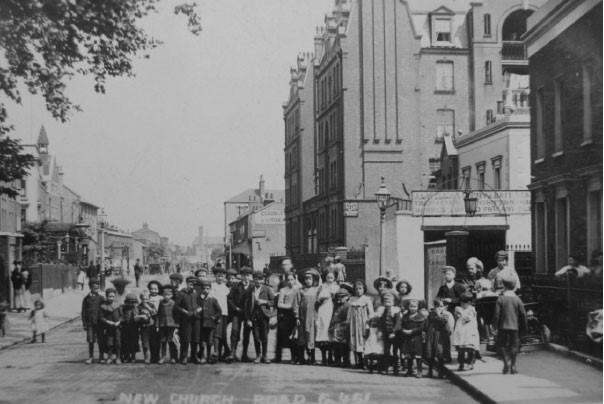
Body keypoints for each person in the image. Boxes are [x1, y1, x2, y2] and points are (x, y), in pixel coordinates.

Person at [492, 276, 527, 375]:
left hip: (502, 326)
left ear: (504, 286)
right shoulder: (517, 299)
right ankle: (513, 366)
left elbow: (496, 314)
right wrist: (524, 328)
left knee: (500, 345)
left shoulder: (501, 299)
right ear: (514, 287)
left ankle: (506, 361)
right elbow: (523, 315)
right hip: (514, 327)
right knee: (514, 346)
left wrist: (494, 326)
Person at [244, 271, 275, 364]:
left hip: (264, 316)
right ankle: (258, 355)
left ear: (263, 280)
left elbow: (273, 302)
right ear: (253, 280)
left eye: (260, 279)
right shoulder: (251, 289)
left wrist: (264, 302)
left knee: (264, 337)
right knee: (256, 337)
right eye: (256, 279)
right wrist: (248, 319)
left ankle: (265, 356)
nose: (258, 281)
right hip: (254, 316)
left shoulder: (267, 289)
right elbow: (246, 305)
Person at [293, 268, 320, 365]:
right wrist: (297, 317)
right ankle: (301, 358)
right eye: (306, 279)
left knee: (311, 337)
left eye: (310, 279)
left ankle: (312, 358)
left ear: (313, 280)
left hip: (312, 318)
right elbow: (296, 305)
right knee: (301, 337)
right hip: (302, 318)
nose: (308, 281)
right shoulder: (300, 291)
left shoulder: (317, 291)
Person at [228, 267, 253, 362]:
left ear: (250, 276)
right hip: (237, 312)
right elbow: (229, 299)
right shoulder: (236, 286)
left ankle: (244, 354)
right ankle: (232, 353)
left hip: (249, 314)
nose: (246, 277)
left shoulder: (253, 287)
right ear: (241, 276)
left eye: (248, 275)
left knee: (246, 333)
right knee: (234, 331)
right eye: (244, 275)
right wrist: (235, 308)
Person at [373, 289, 401, 375]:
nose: (388, 302)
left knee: (395, 351)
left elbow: (398, 323)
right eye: (386, 301)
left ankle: (396, 368)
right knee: (386, 351)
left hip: (395, 334)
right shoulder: (382, 310)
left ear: (393, 302)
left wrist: (393, 332)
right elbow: (381, 322)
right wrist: (380, 331)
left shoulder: (396, 310)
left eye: (390, 301)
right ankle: (386, 367)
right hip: (386, 333)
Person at [174, 276, 201, 364]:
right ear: (186, 283)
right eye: (190, 283)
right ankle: (183, 356)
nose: (192, 285)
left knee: (195, 338)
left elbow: (201, 305)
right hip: (186, 319)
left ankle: (194, 356)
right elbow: (176, 306)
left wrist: (197, 310)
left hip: (196, 318)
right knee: (185, 338)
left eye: (194, 283)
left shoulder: (197, 294)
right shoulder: (182, 294)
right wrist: (185, 311)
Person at [424, 299, 454, 378]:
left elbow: (444, 322)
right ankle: (430, 371)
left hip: (441, 336)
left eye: (441, 306)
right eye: (437, 306)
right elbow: (427, 324)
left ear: (445, 307)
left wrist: (438, 314)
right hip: (432, 335)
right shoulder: (431, 314)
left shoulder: (446, 315)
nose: (439, 308)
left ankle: (441, 372)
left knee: (440, 353)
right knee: (431, 353)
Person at [348, 280, 374, 369]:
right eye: (357, 289)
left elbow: (371, 312)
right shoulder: (352, 299)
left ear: (364, 289)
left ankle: (365, 361)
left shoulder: (366, 299)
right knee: (355, 341)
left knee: (363, 341)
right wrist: (348, 321)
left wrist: (370, 321)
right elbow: (349, 312)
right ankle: (357, 361)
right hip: (354, 323)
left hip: (363, 322)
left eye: (360, 289)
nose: (358, 291)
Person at [315, 271, 339, 365]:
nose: (329, 280)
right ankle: (324, 357)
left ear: (334, 279)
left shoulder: (336, 287)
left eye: (331, 278)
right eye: (328, 277)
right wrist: (320, 300)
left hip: (331, 310)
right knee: (322, 332)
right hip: (322, 310)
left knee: (330, 332)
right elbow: (317, 298)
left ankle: (330, 357)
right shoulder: (321, 287)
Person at [275, 272, 299, 364]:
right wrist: (289, 306)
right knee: (282, 337)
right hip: (285, 315)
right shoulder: (283, 290)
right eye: (288, 280)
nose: (290, 281)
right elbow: (279, 303)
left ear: (295, 279)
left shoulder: (298, 289)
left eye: (292, 279)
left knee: (294, 338)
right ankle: (278, 357)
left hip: (295, 315)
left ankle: (294, 357)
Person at [452, 292, 480, 371]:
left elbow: (467, 319)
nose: (461, 304)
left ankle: (470, 363)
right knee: (460, 350)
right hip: (461, 331)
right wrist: (457, 313)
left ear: (469, 303)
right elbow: (458, 318)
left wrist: (461, 312)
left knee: (469, 349)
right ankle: (461, 364)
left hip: (469, 332)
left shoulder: (471, 310)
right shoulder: (461, 308)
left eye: (462, 303)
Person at [197, 279, 222, 364]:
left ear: (210, 289)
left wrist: (215, 317)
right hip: (201, 323)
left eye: (207, 288)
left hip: (211, 324)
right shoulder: (199, 299)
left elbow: (219, 311)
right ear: (201, 289)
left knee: (210, 341)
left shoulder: (213, 300)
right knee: (202, 341)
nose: (206, 290)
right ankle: (203, 357)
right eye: (204, 288)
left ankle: (208, 357)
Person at [399, 299, 425, 378]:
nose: (413, 308)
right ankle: (409, 370)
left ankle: (419, 371)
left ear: (418, 307)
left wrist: (412, 331)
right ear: (408, 307)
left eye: (414, 306)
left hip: (416, 338)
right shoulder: (406, 316)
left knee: (417, 355)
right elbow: (402, 324)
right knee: (409, 355)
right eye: (411, 306)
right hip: (407, 338)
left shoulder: (420, 317)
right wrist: (403, 330)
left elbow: (421, 327)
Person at [81, 279, 105, 364]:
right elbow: (83, 312)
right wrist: (84, 323)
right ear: (90, 287)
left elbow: (104, 310)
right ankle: (91, 357)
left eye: (97, 288)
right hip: (89, 324)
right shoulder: (86, 299)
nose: (96, 290)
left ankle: (101, 356)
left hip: (99, 324)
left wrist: (104, 321)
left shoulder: (101, 298)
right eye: (94, 288)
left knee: (100, 340)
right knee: (91, 340)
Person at [328, 284, 352, 367]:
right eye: (339, 297)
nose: (341, 299)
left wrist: (342, 325)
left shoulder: (348, 306)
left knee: (344, 346)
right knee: (336, 346)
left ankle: (346, 361)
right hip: (336, 328)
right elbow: (334, 316)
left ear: (347, 297)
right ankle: (337, 360)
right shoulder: (337, 305)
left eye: (343, 297)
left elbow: (348, 318)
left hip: (344, 328)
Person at [210, 266, 231, 362]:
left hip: (224, 313)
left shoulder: (226, 288)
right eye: (218, 276)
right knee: (216, 333)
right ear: (215, 276)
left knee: (223, 333)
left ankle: (224, 352)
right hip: (216, 313)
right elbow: (212, 300)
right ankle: (216, 352)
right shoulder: (212, 286)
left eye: (222, 276)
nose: (220, 278)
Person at [157, 284, 178, 364]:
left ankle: (173, 357)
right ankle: (163, 357)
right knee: (163, 341)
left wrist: (176, 325)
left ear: (172, 295)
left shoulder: (173, 303)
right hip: (162, 325)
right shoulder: (161, 303)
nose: (167, 296)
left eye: (169, 295)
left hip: (171, 325)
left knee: (171, 341)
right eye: (165, 294)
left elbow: (176, 315)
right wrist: (157, 325)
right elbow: (158, 314)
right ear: (162, 294)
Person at [100, 288, 122, 364]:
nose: (111, 298)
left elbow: (122, 316)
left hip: (117, 327)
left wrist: (119, 322)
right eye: (109, 296)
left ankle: (118, 357)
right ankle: (110, 357)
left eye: (113, 296)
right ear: (106, 296)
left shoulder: (117, 305)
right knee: (109, 343)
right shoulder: (103, 306)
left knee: (117, 342)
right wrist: (108, 321)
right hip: (109, 327)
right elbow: (101, 317)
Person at [136, 291, 157, 364]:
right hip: (143, 327)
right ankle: (147, 357)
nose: (145, 301)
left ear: (149, 298)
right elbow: (135, 317)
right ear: (141, 299)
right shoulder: (138, 307)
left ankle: (154, 358)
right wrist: (141, 316)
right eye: (143, 299)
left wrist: (149, 308)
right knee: (145, 344)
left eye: (146, 299)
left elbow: (155, 314)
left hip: (152, 326)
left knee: (153, 343)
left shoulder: (152, 305)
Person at [120, 293, 140, 363]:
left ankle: (133, 356)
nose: (131, 304)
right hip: (125, 327)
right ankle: (127, 356)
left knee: (134, 342)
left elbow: (137, 318)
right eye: (130, 302)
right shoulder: (123, 308)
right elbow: (121, 316)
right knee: (126, 342)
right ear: (126, 302)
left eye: (133, 302)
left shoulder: (136, 309)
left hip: (134, 328)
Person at [146, 280, 163, 363]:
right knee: (151, 340)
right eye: (151, 289)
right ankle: (152, 357)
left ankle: (158, 356)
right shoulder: (147, 297)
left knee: (158, 340)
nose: (153, 291)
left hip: (158, 319)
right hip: (149, 319)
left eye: (155, 289)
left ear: (159, 290)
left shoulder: (161, 298)